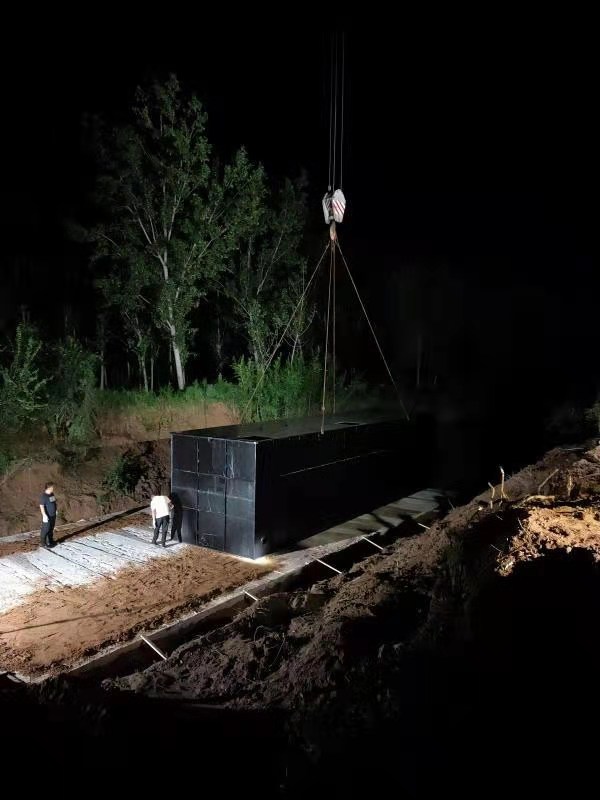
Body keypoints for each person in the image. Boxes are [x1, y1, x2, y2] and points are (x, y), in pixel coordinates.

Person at [39, 482, 58, 548]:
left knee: (51, 528)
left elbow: (54, 503)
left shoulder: (51, 494)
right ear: (49, 488)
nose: (53, 488)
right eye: (52, 487)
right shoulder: (44, 496)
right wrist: (44, 515)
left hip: (53, 515)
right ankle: (43, 543)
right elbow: (41, 506)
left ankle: (50, 541)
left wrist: (55, 510)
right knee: (45, 529)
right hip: (47, 516)